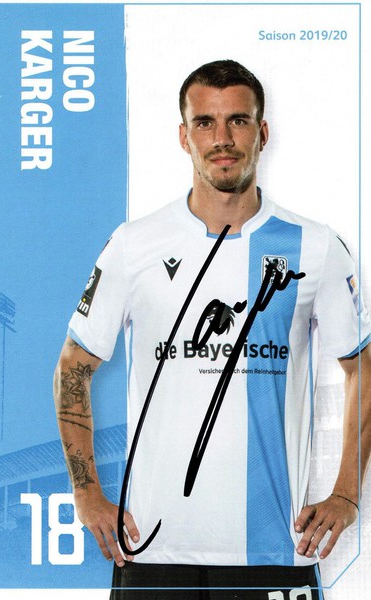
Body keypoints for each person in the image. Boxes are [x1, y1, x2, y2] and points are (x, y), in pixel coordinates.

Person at [53, 60, 371, 599]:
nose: (222, 139)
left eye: (238, 121)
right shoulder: (134, 245)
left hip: (275, 551)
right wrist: (86, 493)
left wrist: (346, 493)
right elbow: (73, 367)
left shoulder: (316, 246)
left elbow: (362, 366)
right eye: (205, 122)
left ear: (263, 132)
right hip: (150, 551)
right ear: (184, 136)